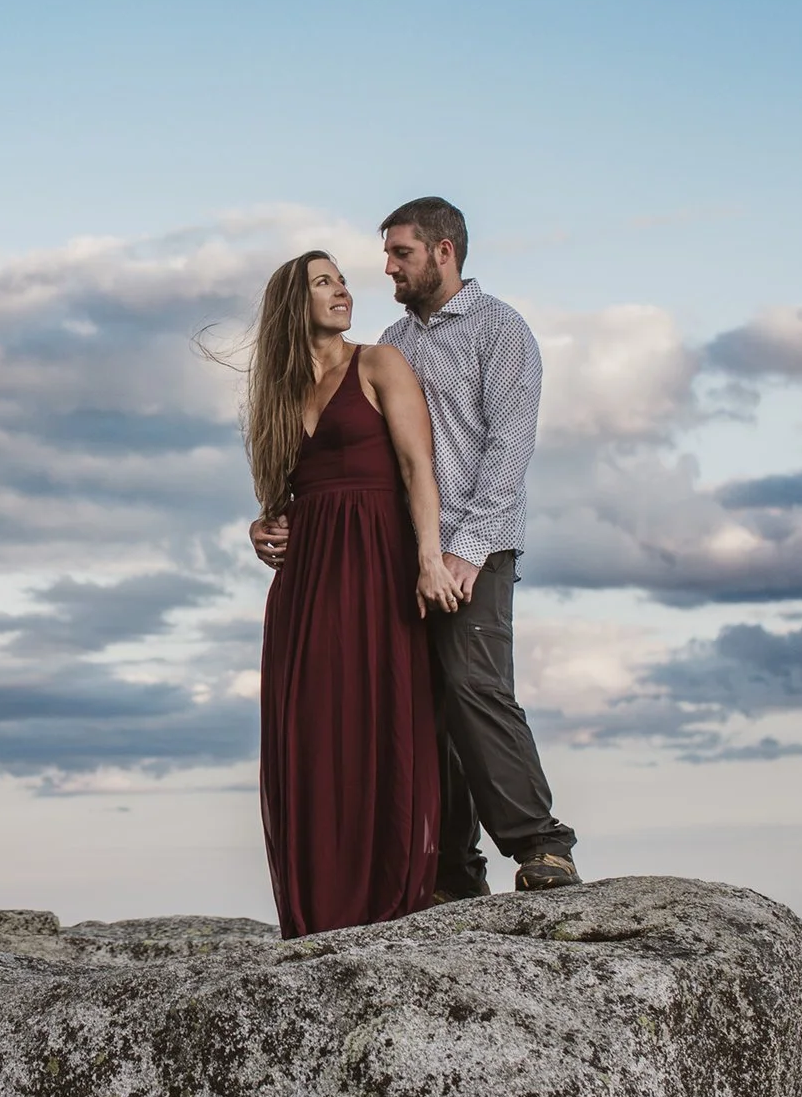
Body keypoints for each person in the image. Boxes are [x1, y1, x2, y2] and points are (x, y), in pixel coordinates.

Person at [250, 198, 581, 898]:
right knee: (420, 707)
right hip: (395, 554)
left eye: (400, 252)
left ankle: (540, 843)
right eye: (386, 254)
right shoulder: (396, 338)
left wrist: (464, 551)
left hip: (473, 545)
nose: (387, 267)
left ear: (443, 252)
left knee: (472, 685)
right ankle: (454, 870)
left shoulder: (500, 330)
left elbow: (507, 450)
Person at [245, 249, 464, 938]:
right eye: (324, 282)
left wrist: (430, 558)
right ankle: (317, 915)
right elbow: (278, 496)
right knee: (308, 735)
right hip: (306, 587)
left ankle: (390, 900)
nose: (343, 290)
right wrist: (261, 525)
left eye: (341, 280)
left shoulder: (378, 365)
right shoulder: (276, 396)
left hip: (377, 565)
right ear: (293, 304)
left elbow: (416, 465)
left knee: (383, 719)